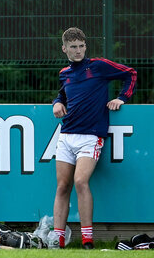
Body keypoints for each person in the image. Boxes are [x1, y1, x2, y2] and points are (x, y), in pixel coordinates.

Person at [51, 27, 136, 250]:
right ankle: (57, 239)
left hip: (91, 136)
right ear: (64, 49)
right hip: (67, 135)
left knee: (80, 181)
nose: (78, 51)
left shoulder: (98, 66)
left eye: (81, 46)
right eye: (73, 47)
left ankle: (88, 240)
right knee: (62, 186)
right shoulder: (64, 72)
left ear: (85, 46)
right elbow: (62, 93)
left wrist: (122, 98)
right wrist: (56, 103)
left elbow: (130, 73)